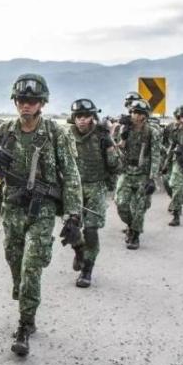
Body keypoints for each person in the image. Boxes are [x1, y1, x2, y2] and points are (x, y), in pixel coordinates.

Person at [0, 74, 82, 356]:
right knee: (14, 260)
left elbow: (71, 175)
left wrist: (73, 214)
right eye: (21, 100)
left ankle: (25, 324)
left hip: (42, 208)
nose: (25, 105)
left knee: (32, 265)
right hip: (13, 206)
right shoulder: (4, 132)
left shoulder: (55, 133)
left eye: (31, 100)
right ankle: (23, 295)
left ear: (41, 103)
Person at [67, 99, 120, 286]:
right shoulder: (66, 135)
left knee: (90, 230)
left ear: (92, 117)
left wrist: (110, 147)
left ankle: (87, 270)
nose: (82, 120)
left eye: (86, 116)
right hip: (73, 187)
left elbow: (115, 165)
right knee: (70, 229)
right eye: (78, 116)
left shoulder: (102, 136)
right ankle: (79, 251)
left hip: (96, 186)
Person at [115, 99, 161, 249]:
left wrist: (153, 178)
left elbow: (156, 155)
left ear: (145, 116)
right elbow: (116, 149)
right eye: (134, 112)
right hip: (126, 171)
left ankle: (134, 235)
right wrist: (121, 136)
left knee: (140, 206)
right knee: (121, 203)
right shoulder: (124, 129)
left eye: (139, 113)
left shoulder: (152, 132)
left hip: (143, 173)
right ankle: (130, 224)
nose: (135, 116)